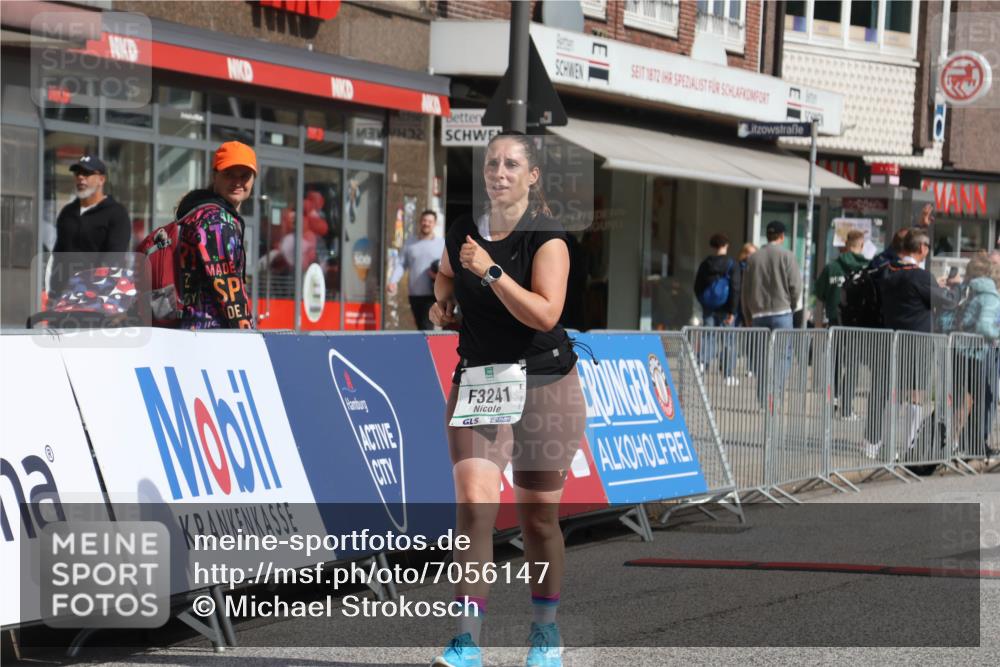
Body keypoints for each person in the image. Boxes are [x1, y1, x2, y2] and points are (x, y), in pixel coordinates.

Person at [429, 132, 585, 667]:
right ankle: (467, 638)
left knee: (538, 518)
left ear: (532, 175)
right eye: (492, 163)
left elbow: (545, 314)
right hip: (479, 379)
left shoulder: (546, 236)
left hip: (544, 382)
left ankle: (545, 631)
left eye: (511, 164)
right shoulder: (464, 234)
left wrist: (490, 272)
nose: (499, 172)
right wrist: (442, 306)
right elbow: (445, 278)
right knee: (474, 506)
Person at [864, 230, 957, 459]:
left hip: (888, 339)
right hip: (918, 341)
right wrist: (951, 289)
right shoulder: (920, 276)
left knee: (884, 391)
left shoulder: (886, 272)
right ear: (922, 249)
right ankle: (908, 446)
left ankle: (874, 443)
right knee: (915, 394)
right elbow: (946, 302)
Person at [175, 141, 256, 329]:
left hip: (189, 328)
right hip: (209, 334)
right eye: (229, 174)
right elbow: (229, 291)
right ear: (215, 175)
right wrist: (248, 334)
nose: (237, 182)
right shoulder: (217, 222)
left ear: (253, 179)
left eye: (244, 175)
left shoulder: (198, 211)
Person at [50, 154, 131, 299]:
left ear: (101, 179)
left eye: (87, 173)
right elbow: (58, 254)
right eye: (77, 173)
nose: (81, 177)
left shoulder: (116, 213)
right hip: (64, 296)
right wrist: (53, 291)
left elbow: (113, 258)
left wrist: (95, 291)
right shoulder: (67, 212)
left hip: (96, 296)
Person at [741, 221, 802, 402]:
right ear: (782, 236)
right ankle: (774, 393)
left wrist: (747, 316)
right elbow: (795, 286)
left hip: (758, 314)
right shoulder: (787, 255)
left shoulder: (753, 258)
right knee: (783, 355)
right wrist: (791, 306)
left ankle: (762, 396)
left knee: (761, 356)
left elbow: (745, 291)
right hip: (782, 312)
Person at [815, 230, 868, 419]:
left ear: (846, 244)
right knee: (852, 365)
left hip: (835, 322)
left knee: (835, 363)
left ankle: (834, 401)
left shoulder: (832, 267)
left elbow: (820, 293)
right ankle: (846, 408)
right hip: (857, 324)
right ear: (862, 245)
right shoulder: (866, 267)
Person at [693, 233, 741, 385]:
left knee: (708, 336)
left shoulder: (705, 264)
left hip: (709, 308)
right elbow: (735, 288)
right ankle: (727, 375)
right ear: (726, 245)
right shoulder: (732, 264)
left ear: (713, 246)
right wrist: (733, 311)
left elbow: (697, 286)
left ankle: (702, 366)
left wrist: (704, 302)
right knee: (728, 341)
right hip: (726, 309)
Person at [388, 210, 445, 330]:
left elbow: (449, 268)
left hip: (433, 294)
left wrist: (439, 276)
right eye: (424, 220)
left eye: (430, 221)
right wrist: (393, 281)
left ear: (434, 224)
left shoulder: (442, 244)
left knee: (426, 326)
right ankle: (427, 348)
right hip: (414, 294)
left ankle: (427, 349)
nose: (426, 223)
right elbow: (401, 264)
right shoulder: (410, 243)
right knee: (421, 326)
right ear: (420, 222)